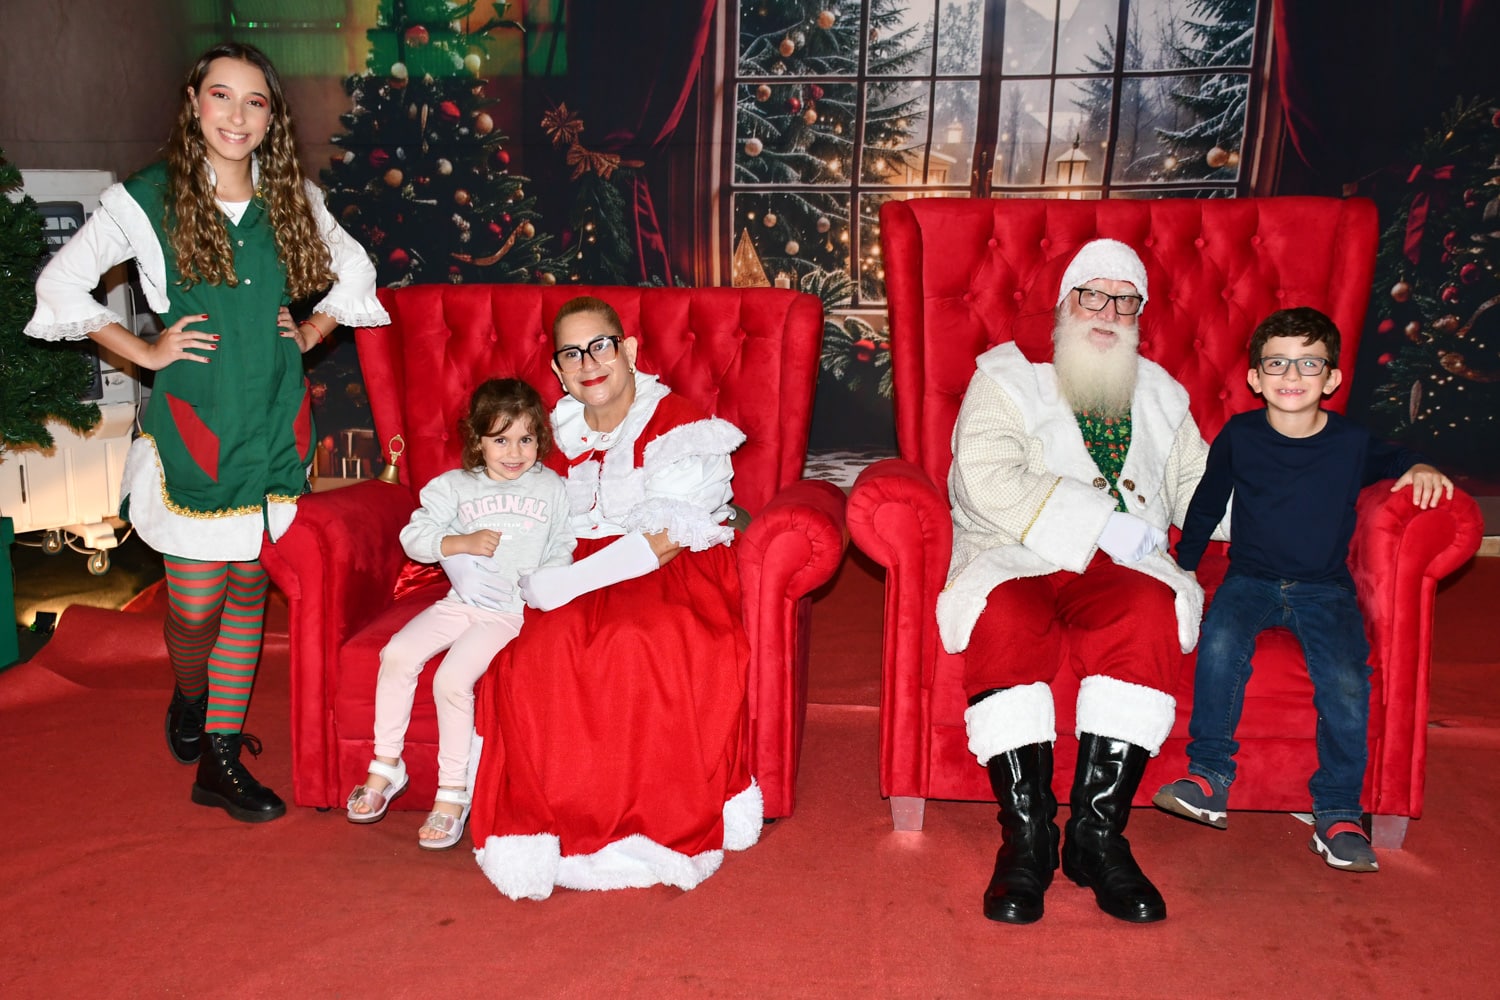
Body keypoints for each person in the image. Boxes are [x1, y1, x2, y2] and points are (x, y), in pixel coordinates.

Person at [24, 42, 388, 822]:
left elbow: (357, 271)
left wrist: (314, 329)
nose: (237, 115)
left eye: (255, 101)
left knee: (249, 584)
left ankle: (220, 754)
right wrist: (146, 350)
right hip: (197, 423)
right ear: (194, 103)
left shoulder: (292, 197)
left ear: (271, 117)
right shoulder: (148, 198)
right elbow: (60, 285)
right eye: (221, 95)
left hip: (274, 420)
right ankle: (190, 694)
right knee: (194, 605)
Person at [940, 238, 1216, 925]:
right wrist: (1099, 524)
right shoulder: (1004, 376)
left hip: (1123, 566)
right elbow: (983, 478)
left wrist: (1296, 488)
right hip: (1016, 549)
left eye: (1125, 300)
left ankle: (1096, 839)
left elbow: (1199, 488)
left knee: (1150, 612)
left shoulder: (1162, 393)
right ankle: (1027, 840)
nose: (1108, 312)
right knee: (1005, 618)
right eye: (1093, 295)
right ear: (1063, 303)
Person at [467, 295, 759, 900]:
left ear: (627, 350)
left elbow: (670, 536)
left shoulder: (676, 420)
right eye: (571, 354)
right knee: (535, 651)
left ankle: (649, 830)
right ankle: (552, 831)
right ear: (558, 370)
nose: (588, 364)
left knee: (640, 642)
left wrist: (565, 585)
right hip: (575, 561)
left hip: (668, 563)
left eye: (599, 346)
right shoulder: (552, 430)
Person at [1153, 307, 1453, 873]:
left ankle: (1337, 813)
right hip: (1250, 579)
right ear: (1255, 377)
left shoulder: (1350, 442)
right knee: (1219, 645)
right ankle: (1209, 778)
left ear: (1331, 378)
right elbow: (1209, 500)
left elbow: (1394, 455)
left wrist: (1420, 465)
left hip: (1325, 588)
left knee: (1345, 679)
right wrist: (1185, 564)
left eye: (1309, 363)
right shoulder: (1240, 435)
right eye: (1277, 363)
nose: (1292, 375)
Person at [345, 378, 575, 849]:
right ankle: (386, 765)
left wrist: (545, 580)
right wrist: (458, 544)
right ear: (477, 440)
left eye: (526, 439)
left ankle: (453, 792)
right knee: (397, 653)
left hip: (508, 614)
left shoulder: (552, 488)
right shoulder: (454, 487)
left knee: (451, 680)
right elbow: (414, 537)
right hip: (460, 603)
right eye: (500, 440)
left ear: (540, 439)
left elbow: (562, 543)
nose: (515, 452)